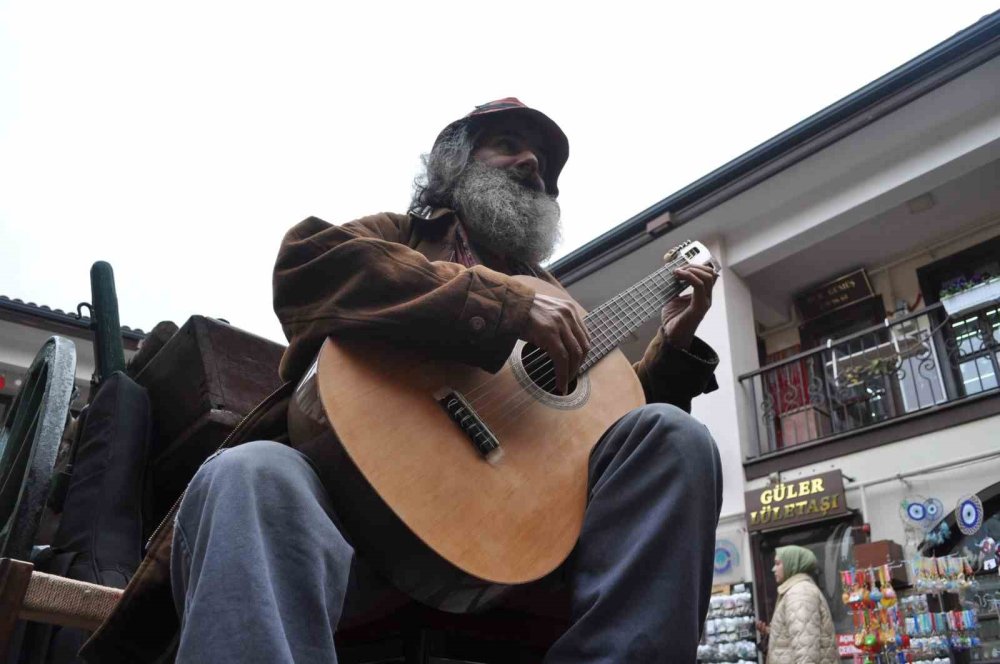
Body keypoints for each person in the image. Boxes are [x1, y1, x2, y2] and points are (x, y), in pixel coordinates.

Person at [81, 98, 723, 663]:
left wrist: (669, 349)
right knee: (248, 472)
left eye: (546, 166)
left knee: (677, 439)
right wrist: (507, 308)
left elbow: (615, 447)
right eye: (509, 145)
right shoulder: (400, 238)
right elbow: (307, 268)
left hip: (509, 559)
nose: (533, 164)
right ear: (457, 161)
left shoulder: (563, 305)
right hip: (345, 536)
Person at [758, 545, 838, 664]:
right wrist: (771, 634)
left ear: (792, 564)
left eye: (778, 563)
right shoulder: (795, 591)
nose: (773, 569)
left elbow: (806, 653)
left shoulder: (800, 593)